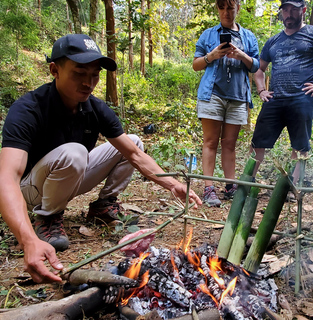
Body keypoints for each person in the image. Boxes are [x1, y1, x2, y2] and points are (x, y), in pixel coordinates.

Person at [0, 34, 202, 284]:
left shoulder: (93, 108)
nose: (89, 82)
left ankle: (103, 206)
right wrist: (27, 239)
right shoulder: (29, 108)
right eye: (79, 73)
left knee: (134, 142)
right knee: (74, 152)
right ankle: (47, 218)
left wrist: (174, 185)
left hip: (67, 177)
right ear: (55, 70)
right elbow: (7, 177)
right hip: (30, 190)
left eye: (95, 74)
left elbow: (134, 155)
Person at [251, 0, 313, 181]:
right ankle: (247, 182)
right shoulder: (273, 40)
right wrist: (261, 90)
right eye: (285, 10)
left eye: (293, 10)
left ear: (303, 10)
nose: (288, 14)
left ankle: (292, 186)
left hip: (302, 98)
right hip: (275, 99)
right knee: (258, 142)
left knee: (300, 146)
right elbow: (259, 69)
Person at [193, 0, 259, 207]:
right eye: (222, 8)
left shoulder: (248, 37)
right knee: (210, 142)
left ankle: (230, 186)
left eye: (230, 8)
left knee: (229, 144)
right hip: (213, 94)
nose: (226, 13)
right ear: (218, 9)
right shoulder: (208, 34)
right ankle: (209, 188)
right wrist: (211, 56)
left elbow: (256, 65)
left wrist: (241, 55)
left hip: (238, 96)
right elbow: (196, 65)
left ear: (237, 8)